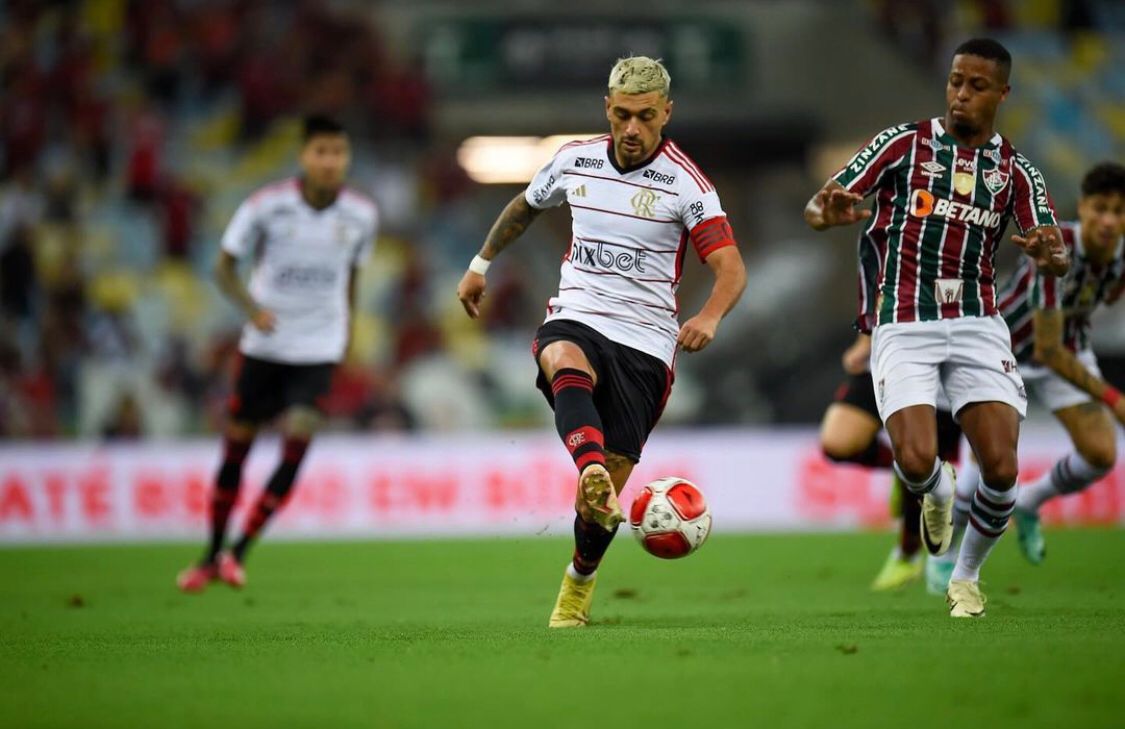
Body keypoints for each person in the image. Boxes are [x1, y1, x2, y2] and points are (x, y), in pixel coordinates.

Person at [456, 56, 746, 628]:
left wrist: (710, 317)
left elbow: (730, 267)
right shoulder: (574, 159)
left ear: (667, 112)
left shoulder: (687, 184)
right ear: (606, 110)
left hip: (646, 344)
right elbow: (525, 206)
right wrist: (479, 264)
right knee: (563, 355)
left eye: (644, 116)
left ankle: (579, 581)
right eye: (621, 115)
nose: (631, 129)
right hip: (580, 314)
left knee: (598, 508)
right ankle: (586, 463)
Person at [803, 38, 1069, 617]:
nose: (960, 95)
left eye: (976, 86)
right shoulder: (903, 144)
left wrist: (1052, 256)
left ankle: (965, 577)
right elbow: (824, 204)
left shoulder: (1016, 170)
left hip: (976, 320)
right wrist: (825, 212)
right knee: (919, 460)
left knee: (1001, 468)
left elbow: (1049, 242)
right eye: (954, 82)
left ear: (1002, 93)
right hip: (904, 319)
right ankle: (938, 492)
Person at [177, 115, 377, 592]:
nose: (331, 162)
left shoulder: (362, 216)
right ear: (303, 157)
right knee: (237, 449)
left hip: (318, 346)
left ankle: (239, 553)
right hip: (266, 344)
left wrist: (346, 328)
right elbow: (223, 267)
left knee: (299, 438)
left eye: (339, 153)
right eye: (322, 152)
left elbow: (352, 276)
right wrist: (251, 309)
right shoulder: (266, 207)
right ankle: (211, 553)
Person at [928, 161, 1125, 584]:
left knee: (1101, 454)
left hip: (1067, 346)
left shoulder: (1120, 255)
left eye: (1119, 211)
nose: (1109, 221)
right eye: (1100, 208)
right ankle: (943, 558)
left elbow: (1107, 295)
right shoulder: (1058, 247)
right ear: (1084, 208)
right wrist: (1114, 399)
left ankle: (1031, 503)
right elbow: (1048, 350)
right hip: (1006, 349)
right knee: (990, 467)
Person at [820, 333, 961, 591]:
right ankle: (901, 468)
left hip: (944, 361)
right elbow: (872, 290)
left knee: (923, 461)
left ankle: (909, 554)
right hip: (888, 350)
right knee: (837, 442)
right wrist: (864, 340)